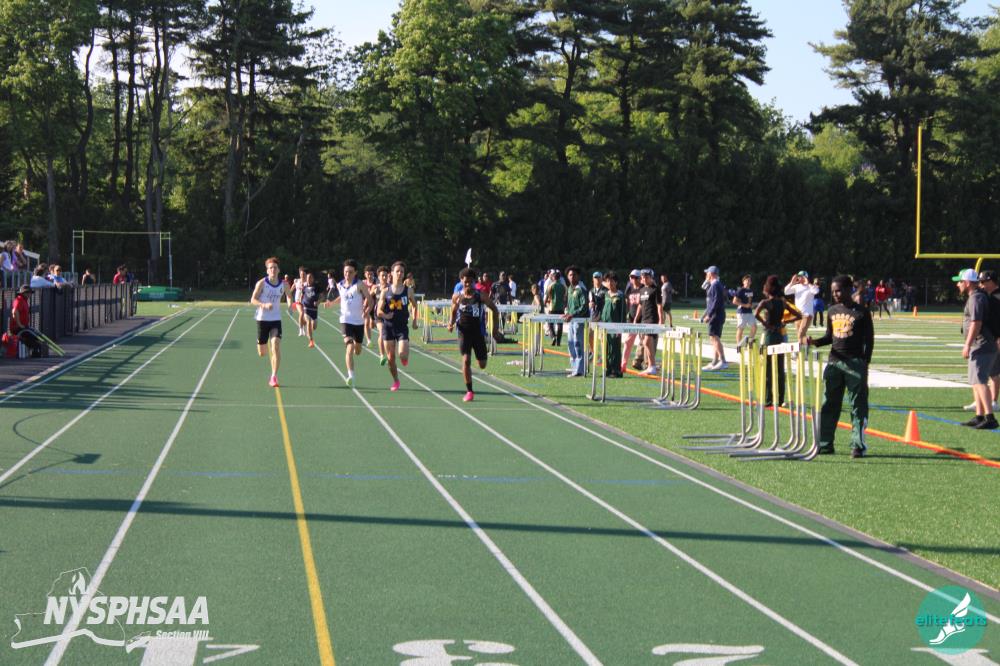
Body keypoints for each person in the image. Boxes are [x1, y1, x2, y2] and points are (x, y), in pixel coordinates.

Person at [807, 274, 875, 457]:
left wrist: (865, 362)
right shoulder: (832, 310)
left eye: (838, 291)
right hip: (834, 363)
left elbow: (869, 340)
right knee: (829, 403)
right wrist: (814, 342)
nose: (835, 294)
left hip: (855, 363)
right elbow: (829, 337)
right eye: (833, 291)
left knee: (858, 406)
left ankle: (858, 445)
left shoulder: (862, 312)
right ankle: (825, 443)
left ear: (848, 289)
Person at [952, 268, 998, 429]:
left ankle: (990, 418)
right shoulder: (976, 296)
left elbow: (976, 323)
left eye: (960, 281)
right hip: (979, 344)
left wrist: (967, 344)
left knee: (980, 381)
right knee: (975, 381)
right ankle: (979, 416)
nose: (958, 284)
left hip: (981, 344)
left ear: (967, 283)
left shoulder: (976, 298)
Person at [448, 267, 500, 401]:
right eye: (465, 282)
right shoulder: (457, 296)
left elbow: (495, 310)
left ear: (474, 282)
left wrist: (495, 330)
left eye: (470, 282)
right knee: (466, 360)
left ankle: (479, 359)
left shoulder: (480, 296)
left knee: (482, 364)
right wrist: (451, 323)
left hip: (478, 333)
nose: (468, 284)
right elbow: (453, 311)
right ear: (461, 281)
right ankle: (469, 391)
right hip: (463, 333)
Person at [325, 259, 372, 387]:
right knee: (349, 347)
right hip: (346, 320)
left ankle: (357, 347)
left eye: (350, 272)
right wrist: (331, 303)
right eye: (346, 272)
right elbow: (342, 297)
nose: (347, 274)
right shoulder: (340, 285)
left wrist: (367, 311)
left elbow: (370, 300)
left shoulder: (360, 285)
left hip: (359, 322)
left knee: (357, 350)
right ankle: (351, 375)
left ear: (355, 272)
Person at [755, 275, 800, 407]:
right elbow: (799, 315)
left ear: (768, 288)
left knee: (768, 369)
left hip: (768, 336)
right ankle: (780, 399)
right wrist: (785, 322)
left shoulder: (765, 302)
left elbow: (756, 314)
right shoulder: (783, 302)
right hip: (779, 335)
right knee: (780, 369)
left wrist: (766, 324)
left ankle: (769, 399)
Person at [250, 257, 290, 387]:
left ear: (278, 270)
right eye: (270, 268)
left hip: (275, 319)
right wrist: (264, 305)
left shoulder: (284, 284)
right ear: (267, 271)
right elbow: (253, 300)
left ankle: (273, 376)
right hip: (262, 319)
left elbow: (289, 296)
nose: (273, 270)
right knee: (262, 353)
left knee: (275, 346)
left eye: (275, 268)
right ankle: (262, 343)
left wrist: (290, 306)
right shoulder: (262, 283)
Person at [378, 261, 416, 392]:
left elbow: (415, 306)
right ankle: (396, 381)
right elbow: (378, 311)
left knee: (402, 355)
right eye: (397, 271)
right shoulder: (385, 291)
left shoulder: (408, 291)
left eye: (402, 272)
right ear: (392, 273)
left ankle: (404, 358)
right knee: (390, 358)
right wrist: (386, 315)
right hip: (388, 327)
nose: (400, 273)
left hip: (402, 327)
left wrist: (415, 320)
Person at [977, 270, 1000, 412]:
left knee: (994, 371)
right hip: (988, 339)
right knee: (983, 371)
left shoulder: (997, 297)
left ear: (991, 281)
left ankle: (993, 401)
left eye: (983, 281)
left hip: (996, 339)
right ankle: (982, 401)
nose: (981, 284)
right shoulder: (986, 295)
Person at [562, 266, 590, 377]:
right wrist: (567, 312)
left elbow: (584, 307)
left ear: (578, 276)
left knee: (578, 344)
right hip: (571, 320)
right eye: (570, 275)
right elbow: (569, 304)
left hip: (579, 320)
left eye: (574, 275)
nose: (572, 277)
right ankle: (574, 368)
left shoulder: (581, 289)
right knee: (571, 344)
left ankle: (579, 370)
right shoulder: (570, 288)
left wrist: (573, 314)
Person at [634, 268, 663, 375]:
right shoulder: (641, 290)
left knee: (647, 342)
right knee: (646, 343)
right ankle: (651, 366)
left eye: (646, 277)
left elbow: (659, 306)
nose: (644, 279)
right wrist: (636, 318)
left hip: (652, 319)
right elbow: (640, 305)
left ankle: (652, 366)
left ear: (651, 277)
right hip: (644, 319)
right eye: (643, 277)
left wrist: (661, 320)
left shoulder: (655, 289)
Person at [702, 265, 728, 370]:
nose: (706, 275)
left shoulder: (715, 284)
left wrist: (709, 315)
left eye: (707, 273)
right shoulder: (715, 284)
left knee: (715, 337)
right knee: (713, 337)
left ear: (711, 274)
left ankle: (723, 361)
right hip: (717, 314)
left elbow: (716, 302)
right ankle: (715, 361)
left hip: (716, 315)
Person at [600, 271, 625, 378]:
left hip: (616, 327)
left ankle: (616, 370)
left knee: (615, 348)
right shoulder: (605, 294)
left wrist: (621, 329)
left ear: (616, 282)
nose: (609, 283)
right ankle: (608, 369)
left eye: (612, 281)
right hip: (605, 326)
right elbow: (603, 309)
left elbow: (623, 313)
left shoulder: (620, 295)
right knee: (606, 348)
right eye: (607, 281)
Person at [784, 271, 819, 343]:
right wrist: (792, 282)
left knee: (800, 334)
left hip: (807, 314)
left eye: (801, 277)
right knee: (800, 336)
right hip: (798, 315)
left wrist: (808, 283)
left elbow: (816, 291)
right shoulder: (797, 286)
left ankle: (799, 349)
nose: (799, 278)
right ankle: (809, 341)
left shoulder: (810, 286)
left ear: (806, 278)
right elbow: (786, 292)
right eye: (799, 277)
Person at [623, 269, 643, 372]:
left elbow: (642, 305)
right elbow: (626, 300)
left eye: (635, 277)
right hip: (631, 318)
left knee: (645, 342)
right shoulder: (629, 287)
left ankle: (643, 363)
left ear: (640, 278)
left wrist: (636, 318)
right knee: (628, 341)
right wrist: (626, 313)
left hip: (642, 319)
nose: (633, 279)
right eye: (631, 277)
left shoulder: (643, 289)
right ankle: (623, 364)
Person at [299, 270, 322, 348]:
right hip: (306, 308)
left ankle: (309, 332)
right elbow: (302, 295)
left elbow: (322, 296)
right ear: (306, 278)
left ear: (313, 279)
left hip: (314, 310)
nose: (309, 279)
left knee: (314, 326)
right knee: (308, 322)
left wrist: (318, 302)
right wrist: (300, 301)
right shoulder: (304, 287)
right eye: (308, 277)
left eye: (310, 277)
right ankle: (311, 341)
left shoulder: (316, 287)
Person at [731, 274, 756, 346]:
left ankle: (749, 343)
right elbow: (734, 301)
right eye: (746, 280)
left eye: (749, 281)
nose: (748, 282)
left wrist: (752, 306)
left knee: (754, 327)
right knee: (741, 329)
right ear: (743, 282)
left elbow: (749, 302)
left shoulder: (751, 291)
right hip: (741, 312)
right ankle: (739, 345)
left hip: (749, 312)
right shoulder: (740, 290)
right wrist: (745, 305)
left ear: (751, 282)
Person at [544, 269, 567, 346]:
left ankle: (553, 337)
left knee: (550, 323)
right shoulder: (563, 286)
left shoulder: (551, 285)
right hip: (561, 308)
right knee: (560, 325)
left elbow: (546, 296)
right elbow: (566, 297)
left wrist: (545, 303)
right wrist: (565, 306)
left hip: (552, 308)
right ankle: (558, 342)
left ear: (554, 278)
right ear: (559, 278)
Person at [363, 265, 378, 345]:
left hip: (376, 305)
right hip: (366, 305)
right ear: (365, 274)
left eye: (371, 274)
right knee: (366, 323)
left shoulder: (377, 282)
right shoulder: (363, 283)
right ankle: (369, 341)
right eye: (368, 274)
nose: (369, 276)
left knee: (372, 325)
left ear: (373, 274)